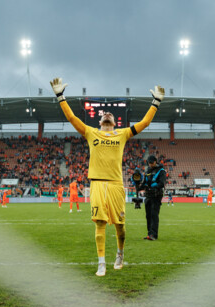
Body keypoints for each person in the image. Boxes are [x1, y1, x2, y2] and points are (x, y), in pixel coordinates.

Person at [50, 77, 164, 276]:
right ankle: (101, 263)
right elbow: (71, 119)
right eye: (105, 115)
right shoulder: (91, 133)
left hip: (115, 185)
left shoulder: (122, 134)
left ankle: (120, 254)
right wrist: (60, 96)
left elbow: (144, 123)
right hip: (96, 185)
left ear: (114, 121)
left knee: (120, 225)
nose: (108, 115)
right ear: (100, 121)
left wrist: (156, 103)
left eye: (110, 114)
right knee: (100, 223)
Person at [142, 155, 166, 241]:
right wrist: (140, 186)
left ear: (156, 162)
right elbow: (145, 182)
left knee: (154, 215)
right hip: (148, 195)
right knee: (148, 215)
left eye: (152, 163)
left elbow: (162, 183)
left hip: (156, 195)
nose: (151, 165)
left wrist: (153, 187)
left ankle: (154, 235)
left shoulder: (161, 171)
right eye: (149, 163)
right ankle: (149, 234)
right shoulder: (147, 170)